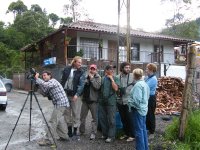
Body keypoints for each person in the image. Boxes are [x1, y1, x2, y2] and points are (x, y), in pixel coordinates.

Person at [35, 70, 70, 146]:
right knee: (59, 121)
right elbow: (45, 93)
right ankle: (64, 136)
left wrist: (37, 78)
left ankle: (48, 140)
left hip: (61, 104)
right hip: (61, 104)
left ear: (50, 75)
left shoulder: (53, 81)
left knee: (53, 122)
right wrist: (38, 86)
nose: (43, 77)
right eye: (43, 76)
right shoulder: (48, 83)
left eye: (45, 75)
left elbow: (46, 85)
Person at [61, 56, 85, 140]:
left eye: (81, 63)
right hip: (66, 94)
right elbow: (62, 81)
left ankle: (75, 131)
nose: (80, 64)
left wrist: (77, 94)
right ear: (74, 62)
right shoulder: (67, 69)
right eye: (79, 62)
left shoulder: (81, 72)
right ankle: (69, 130)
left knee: (76, 113)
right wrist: (62, 92)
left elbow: (81, 85)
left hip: (75, 96)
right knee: (67, 113)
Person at [128, 68, 150, 150]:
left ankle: (140, 148)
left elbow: (137, 100)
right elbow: (147, 97)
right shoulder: (145, 84)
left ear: (135, 76)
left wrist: (130, 102)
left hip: (138, 110)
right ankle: (145, 148)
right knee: (143, 130)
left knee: (138, 132)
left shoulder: (138, 85)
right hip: (144, 109)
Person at [98, 65, 120, 143]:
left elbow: (116, 88)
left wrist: (111, 79)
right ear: (106, 70)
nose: (112, 70)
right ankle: (105, 134)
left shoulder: (116, 78)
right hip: (102, 102)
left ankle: (111, 136)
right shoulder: (103, 78)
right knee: (102, 119)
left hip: (111, 102)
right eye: (110, 69)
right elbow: (99, 89)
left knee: (111, 120)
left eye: (113, 69)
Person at [79, 64, 101, 140]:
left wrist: (92, 79)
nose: (92, 70)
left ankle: (93, 133)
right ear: (89, 69)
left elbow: (97, 87)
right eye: (91, 69)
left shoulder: (98, 77)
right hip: (85, 101)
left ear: (96, 70)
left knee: (94, 119)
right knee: (82, 117)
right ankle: (81, 131)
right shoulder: (85, 76)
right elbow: (81, 86)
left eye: (94, 69)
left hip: (93, 101)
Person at [116, 62, 135, 142]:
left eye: (129, 67)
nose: (128, 69)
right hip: (120, 101)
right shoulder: (117, 77)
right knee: (123, 119)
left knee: (129, 119)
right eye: (126, 67)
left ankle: (132, 135)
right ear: (122, 68)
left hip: (129, 102)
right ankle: (126, 133)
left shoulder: (132, 76)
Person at [145, 63, 158, 138]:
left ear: (151, 70)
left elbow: (145, 86)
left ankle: (152, 131)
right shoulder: (148, 77)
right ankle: (148, 129)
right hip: (147, 97)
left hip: (151, 98)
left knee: (150, 114)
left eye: (147, 69)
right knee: (147, 114)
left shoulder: (153, 79)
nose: (146, 70)